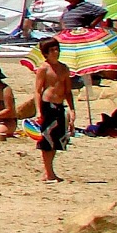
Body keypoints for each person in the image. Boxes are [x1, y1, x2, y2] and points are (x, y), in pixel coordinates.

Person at [33, 37, 76, 181]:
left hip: (59, 106)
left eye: (57, 49)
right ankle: (48, 172)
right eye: (52, 50)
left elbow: (68, 91)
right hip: (47, 105)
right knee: (46, 140)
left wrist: (72, 109)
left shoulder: (64, 68)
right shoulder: (43, 68)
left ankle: (49, 171)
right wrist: (39, 111)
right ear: (45, 53)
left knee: (56, 140)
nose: (55, 52)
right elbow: (38, 91)